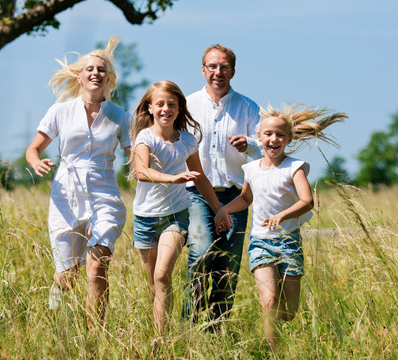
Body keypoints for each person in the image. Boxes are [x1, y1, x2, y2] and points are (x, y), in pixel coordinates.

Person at [214, 103, 347, 350]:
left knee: (289, 311)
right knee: (270, 302)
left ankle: (281, 331)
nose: (274, 139)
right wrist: (224, 209)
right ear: (259, 137)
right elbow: (246, 198)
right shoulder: (250, 168)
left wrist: (282, 216)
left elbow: (307, 201)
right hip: (260, 242)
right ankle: (274, 352)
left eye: (280, 135)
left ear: (288, 139)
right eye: (268, 134)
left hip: (288, 242)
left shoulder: (294, 167)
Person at [25, 36, 130, 327]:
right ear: (80, 76)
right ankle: (56, 312)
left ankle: (95, 336)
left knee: (97, 267)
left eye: (101, 70)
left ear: (109, 78)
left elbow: (136, 155)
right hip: (65, 196)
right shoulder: (60, 111)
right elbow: (33, 149)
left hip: (105, 196)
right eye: (90, 69)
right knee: (67, 276)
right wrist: (36, 162)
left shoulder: (120, 117)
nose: (96, 73)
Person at [129, 80, 229, 334]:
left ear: (179, 108)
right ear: (150, 108)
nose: (165, 109)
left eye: (171, 104)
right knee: (153, 284)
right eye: (160, 104)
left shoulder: (186, 140)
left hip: (176, 216)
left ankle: (163, 341)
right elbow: (141, 172)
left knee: (163, 275)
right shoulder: (145, 137)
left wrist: (218, 208)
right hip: (145, 218)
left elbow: (201, 177)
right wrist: (172, 178)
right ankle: (159, 337)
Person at [182, 44, 261, 323]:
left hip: (235, 197)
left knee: (227, 265)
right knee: (201, 253)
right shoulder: (188, 105)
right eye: (212, 66)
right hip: (196, 195)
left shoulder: (248, 107)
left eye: (224, 66)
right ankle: (188, 323)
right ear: (203, 70)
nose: (218, 72)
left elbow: (263, 148)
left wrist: (249, 144)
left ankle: (218, 329)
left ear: (233, 71)